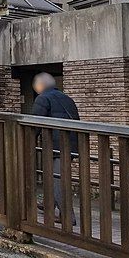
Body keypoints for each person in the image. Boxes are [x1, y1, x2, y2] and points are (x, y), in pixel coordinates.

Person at [31, 72, 80, 224]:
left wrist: (29, 140)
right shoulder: (67, 98)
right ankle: (48, 204)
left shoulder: (43, 98)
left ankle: (68, 216)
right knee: (54, 175)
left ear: (40, 86)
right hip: (71, 143)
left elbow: (35, 123)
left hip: (56, 145)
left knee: (57, 179)